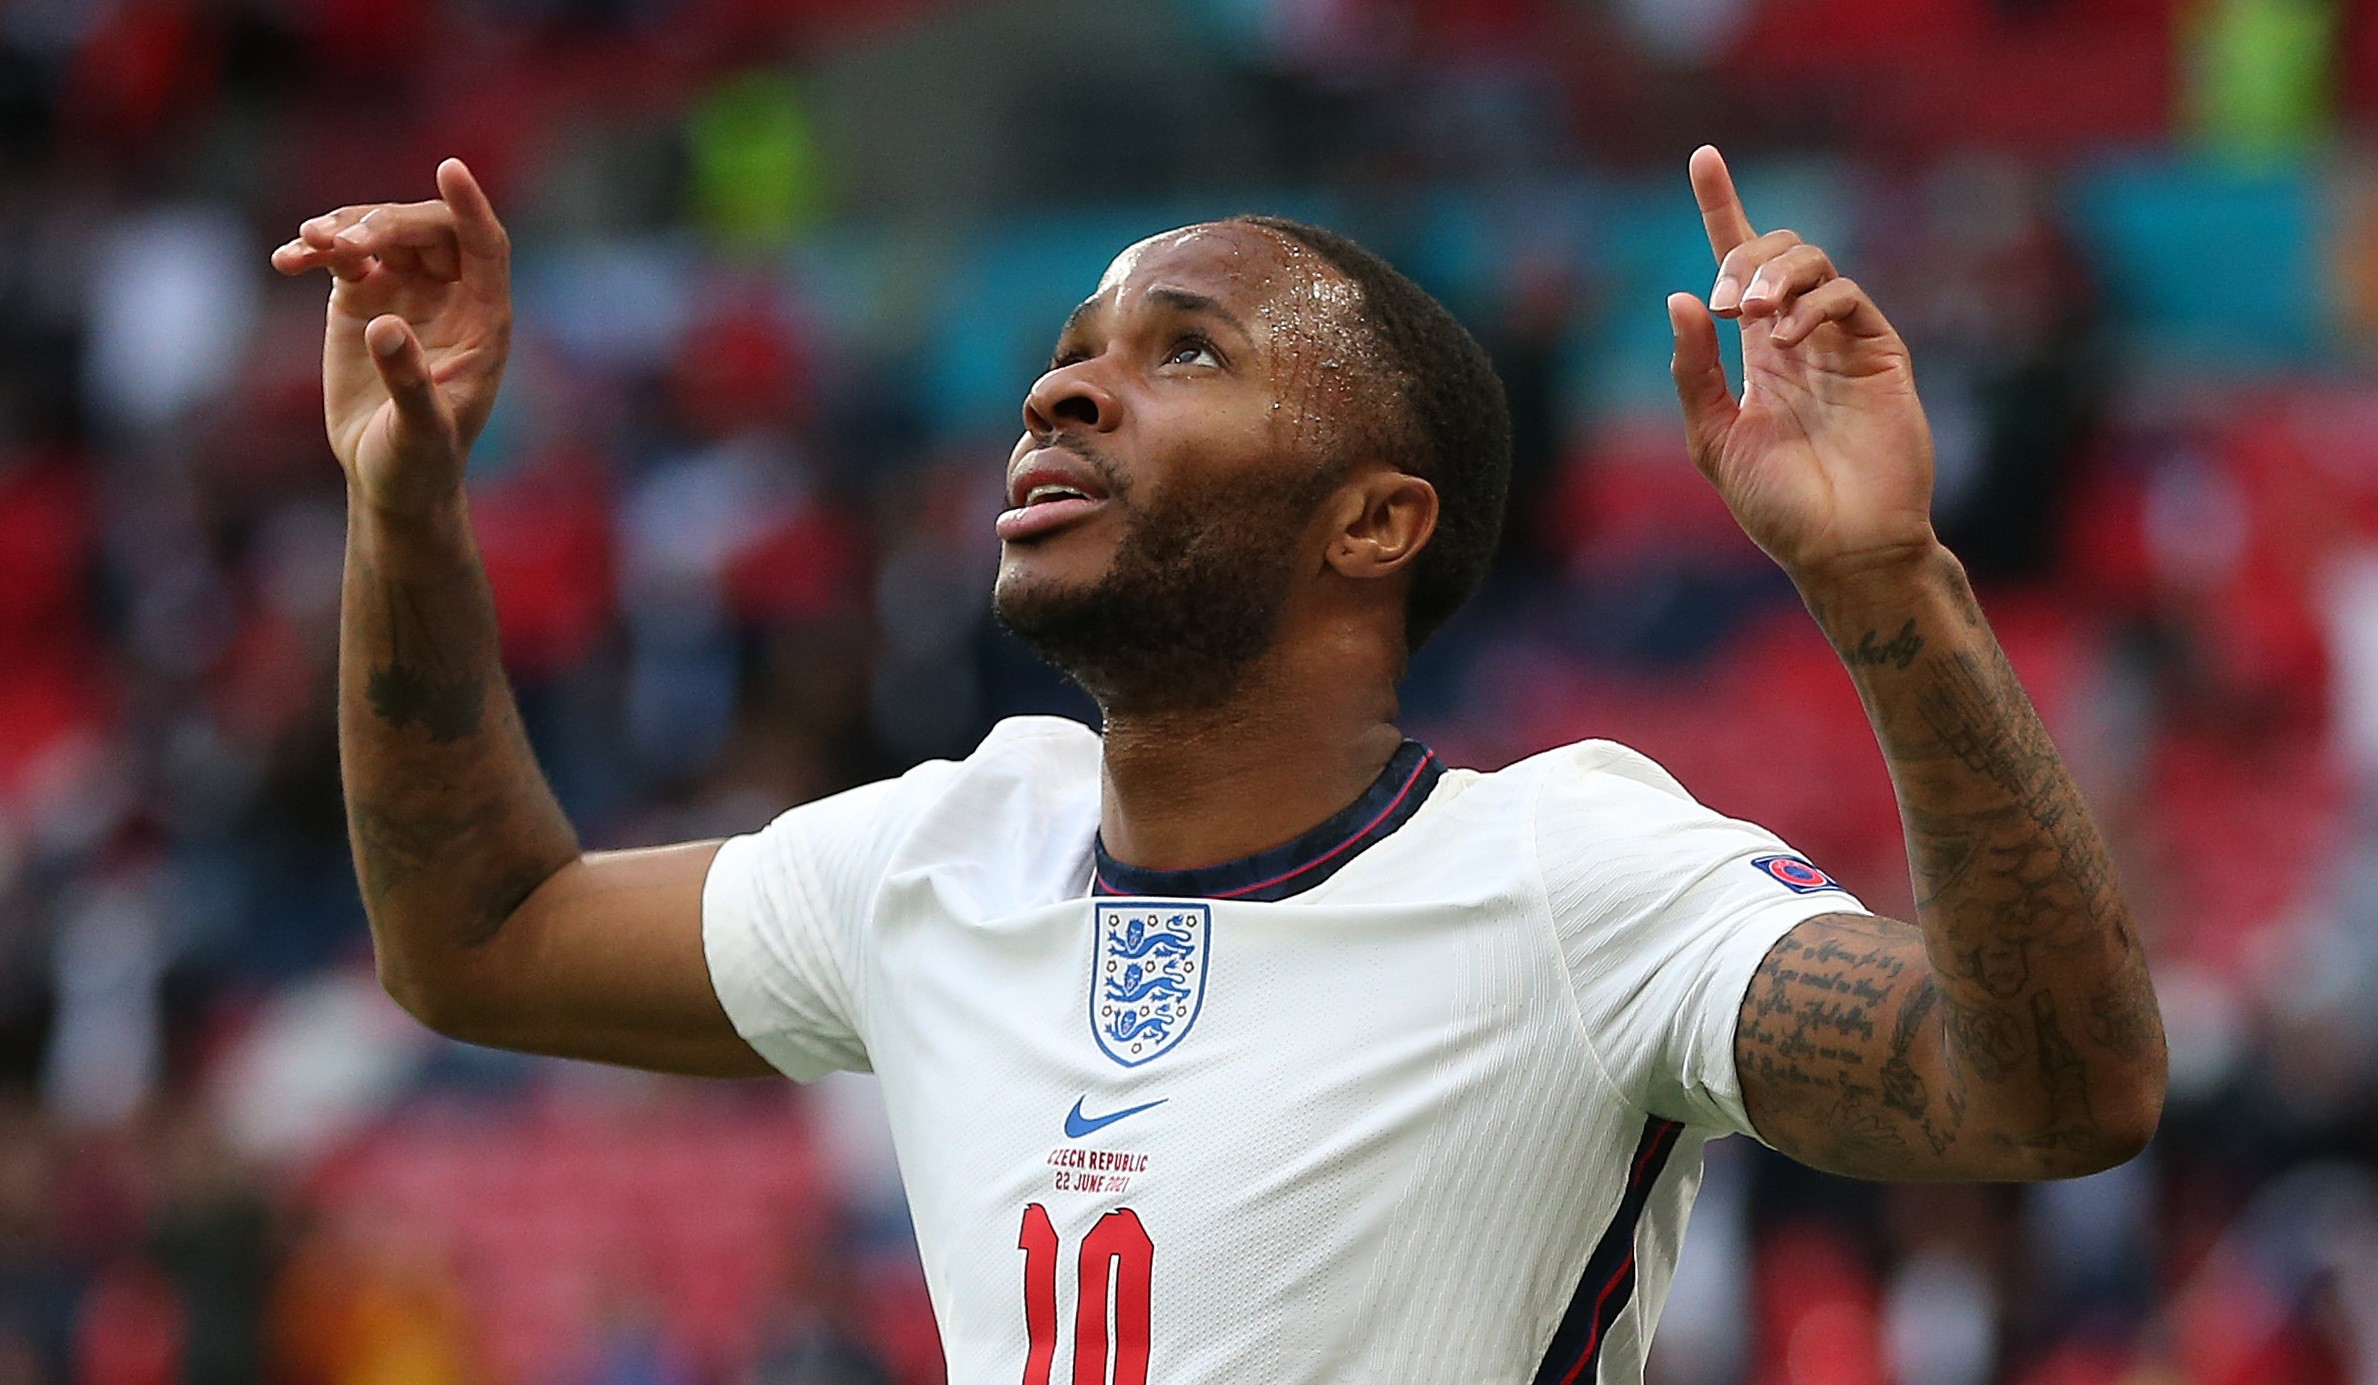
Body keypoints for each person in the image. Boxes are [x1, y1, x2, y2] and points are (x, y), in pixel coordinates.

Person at [271, 146, 2166, 1384]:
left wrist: (1881, 579)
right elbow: (478, 936)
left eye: (1183, 354)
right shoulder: (940, 854)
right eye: (1075, 345)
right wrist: (406, 507)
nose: (1061, 387)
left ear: (1374, 522)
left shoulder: (1572, 877)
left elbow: (2049, 1093)